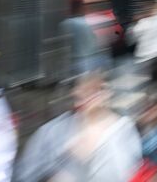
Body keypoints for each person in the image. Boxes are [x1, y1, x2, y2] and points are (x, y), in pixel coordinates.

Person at [15, 73, 143, 182]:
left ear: (107, 91)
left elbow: (125, 174)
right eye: (81, 87)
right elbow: (26, 174)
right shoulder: (53, 131)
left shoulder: (123, 131)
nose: (81, 92)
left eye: (95, 89)